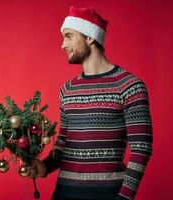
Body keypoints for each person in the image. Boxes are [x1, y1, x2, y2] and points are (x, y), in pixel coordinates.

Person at [30, 7, 153, 200]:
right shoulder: (67, 90)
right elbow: (63, 142)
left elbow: (141, 148)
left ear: (90, 38)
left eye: (69, 36)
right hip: (64, 193)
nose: (63, 45)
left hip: (109, 194)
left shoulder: (130, 86)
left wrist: (124, 197)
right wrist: (45, 167)